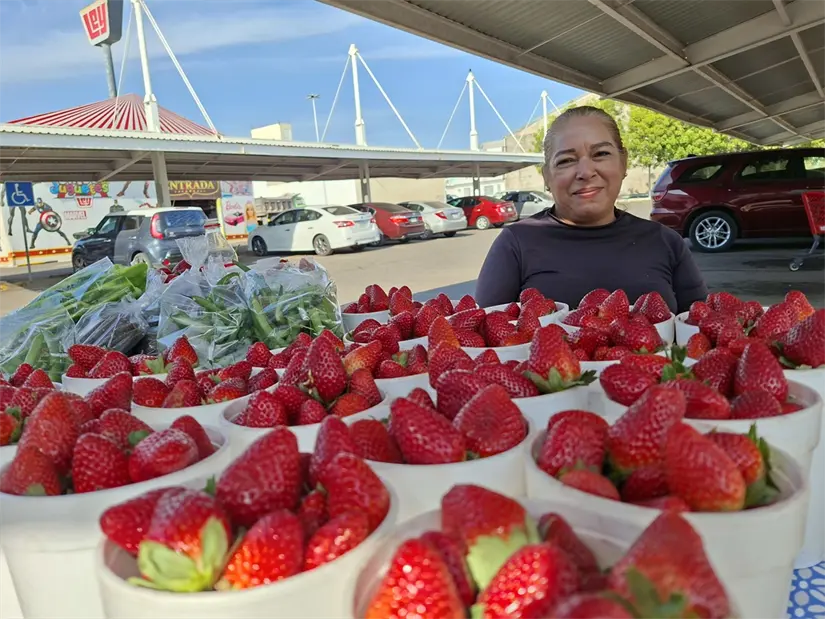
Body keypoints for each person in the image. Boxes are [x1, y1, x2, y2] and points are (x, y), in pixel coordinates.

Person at [475, 105, 707, 314]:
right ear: (547, 176)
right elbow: (484, 345)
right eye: (566, 160)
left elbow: (700, 333)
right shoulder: (516, 243)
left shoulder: (666, 242)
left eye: (601, 154)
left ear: (623, 163)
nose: (585, 172)